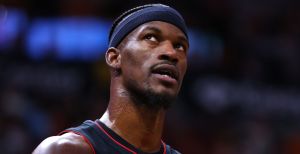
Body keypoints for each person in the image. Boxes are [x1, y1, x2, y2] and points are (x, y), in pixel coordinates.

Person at [33, 3, 189, 154]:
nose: (171, 53)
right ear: (115, 58)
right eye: (151, 37)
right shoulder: (64, 150)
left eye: (180, 46)